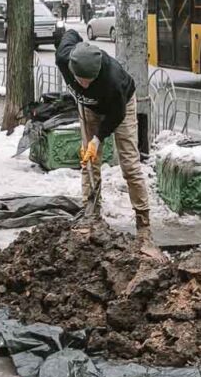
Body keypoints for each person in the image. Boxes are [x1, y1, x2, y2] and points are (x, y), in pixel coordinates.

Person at [54, 29, 158, 257]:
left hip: (120, 108)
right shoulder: (65, 58)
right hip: (89, 109)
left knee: (130, 165)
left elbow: (116, 115)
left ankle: (143, 224)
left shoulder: (112, 80)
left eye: (89, 81)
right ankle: (91, 214)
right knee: (89, 161)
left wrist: (98, 138)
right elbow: (69, 33)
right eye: (81, 80)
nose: (84, 84)